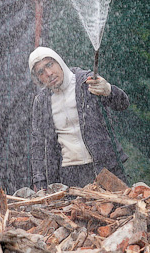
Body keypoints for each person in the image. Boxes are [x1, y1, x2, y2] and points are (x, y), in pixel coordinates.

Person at [29, 46, 129, 189]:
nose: (49, 73)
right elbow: (38, 143)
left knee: (119, 209)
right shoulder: (41, 101)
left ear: (59, 61)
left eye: (50, 65)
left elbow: (122, 104)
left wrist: (109, 90)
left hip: (105, 168)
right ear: (38, 78)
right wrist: (39, 181)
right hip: (68, 175)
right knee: (75, 211)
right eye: (41, 72)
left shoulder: (86, 82)